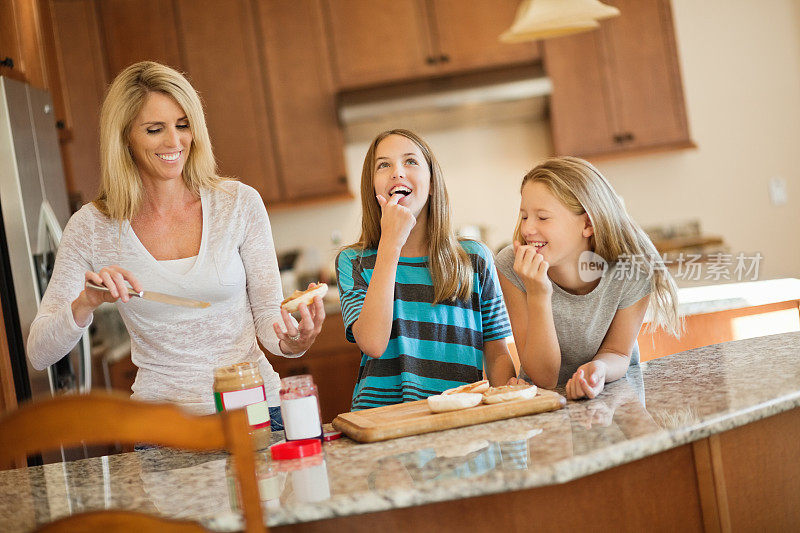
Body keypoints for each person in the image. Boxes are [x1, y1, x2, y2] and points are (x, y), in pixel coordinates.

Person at [27, 61, 325, 425]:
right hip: (165, 428)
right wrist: (84, 304)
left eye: (183, 125)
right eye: (155, 129)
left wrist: (295, 342)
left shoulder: (238, 203)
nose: (174, 142)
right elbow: (40, 353)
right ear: (124, 137)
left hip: (256, 412)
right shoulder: (92, 227)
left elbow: (268, 318)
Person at [336, 129, 515, 411]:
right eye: (384, 165)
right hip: (382, 419)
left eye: (410, 161)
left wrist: (509, 405)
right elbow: (372, 343)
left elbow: (497, 352)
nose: (397, 172)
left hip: (458, 414)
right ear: (372, 187)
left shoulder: (475, 258)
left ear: (432, 184)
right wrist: (390, 245)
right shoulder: (354, 261)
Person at [495, 157, 680, 400]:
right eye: (524, 215)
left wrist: (598, 370)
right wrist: (539, 293)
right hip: (546, 408)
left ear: (588, 224)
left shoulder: (634, 270)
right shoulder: (512, 265)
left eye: (542, 217)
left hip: (614, 399)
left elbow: (619, 353)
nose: (528, 229)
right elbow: (545, 378)